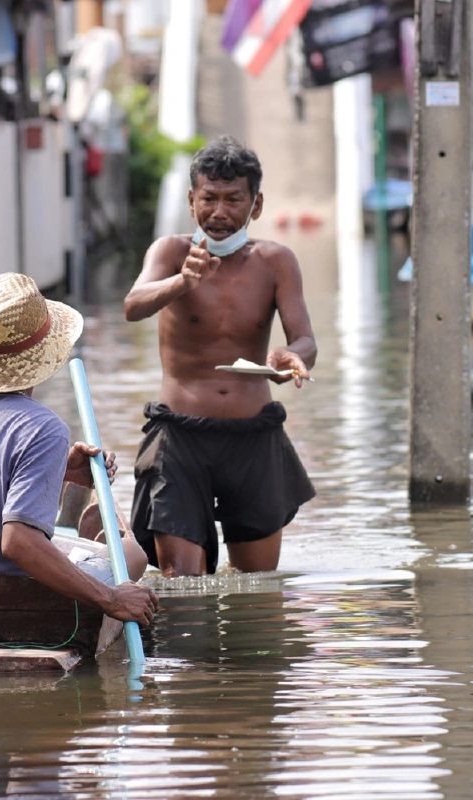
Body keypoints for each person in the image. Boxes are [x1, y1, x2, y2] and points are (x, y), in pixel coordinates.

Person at [0, 272, 159, 627]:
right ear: (44, 352)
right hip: (3, 593)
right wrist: (112, 599)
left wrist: (62, 470)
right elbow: (18, 543)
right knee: (132, 554)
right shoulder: (45, 428)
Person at [123, 135, 317, 577]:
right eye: (209, 198)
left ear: (257, 205)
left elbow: (306, 339)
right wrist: (180, 283)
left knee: (256, 586)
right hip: (180, 435)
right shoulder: (171, 252)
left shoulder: (275, 261)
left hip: (254, 435)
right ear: (192, 201)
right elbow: (133, 305)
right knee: (184, 585)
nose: (220, 212)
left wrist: (292, 355)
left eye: (234, 200)